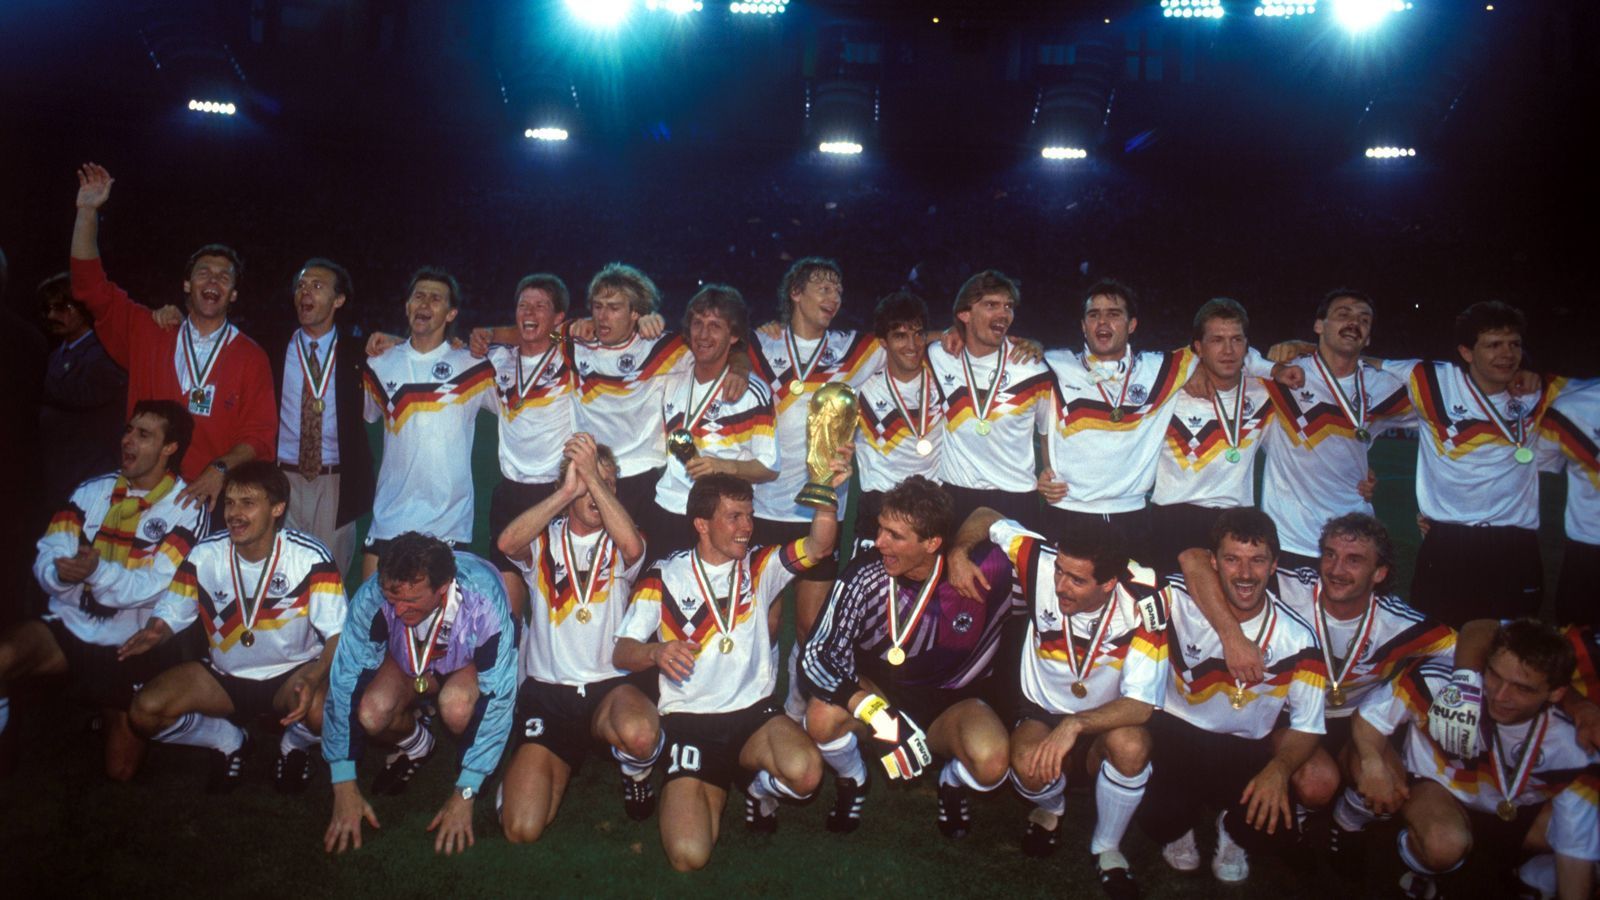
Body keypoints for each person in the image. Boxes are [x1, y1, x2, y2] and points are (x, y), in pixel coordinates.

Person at [613, 463, 848, 872]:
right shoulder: (664, 576)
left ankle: (758, 790)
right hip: (690, 721)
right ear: (702, 524)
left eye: (750, 516)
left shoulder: (760, 566)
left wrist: (825, 490)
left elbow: (819, 546)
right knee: (689, 856)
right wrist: (655, 653)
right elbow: (623, 652)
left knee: (807, 775)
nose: (748, 527)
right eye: (735, 517)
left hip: (753, 716)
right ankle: (705, 783)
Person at [1181, 513, 1456, 860]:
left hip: (1358, 721)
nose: (1336, 569)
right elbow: (1193, 559)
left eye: (1354, 560)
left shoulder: (1398, 622)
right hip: (1292, 716)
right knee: (1316, 782)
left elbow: (1471, 644)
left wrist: (1464, 683)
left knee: (1389, 786)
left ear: (1380, 573)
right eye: (1329, 554)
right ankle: (1297, 819)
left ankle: (1348, 820)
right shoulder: (1292, 585)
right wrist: (1231, 636)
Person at [948, 507, 1164, 899]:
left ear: (1110, 582)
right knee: (1029, 767)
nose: (1061, 585)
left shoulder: (1144, 601)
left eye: (1076, 580)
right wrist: (958, 554)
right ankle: (1052, 807)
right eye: (1060, 571)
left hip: (1108, 719)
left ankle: (1107, 847)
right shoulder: (1039, 561)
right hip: (1042, 710)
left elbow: (1141, 706)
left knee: (1132, 747)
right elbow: (983, 515)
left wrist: (1076, 724)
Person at [801, 477, 1018, 839]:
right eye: (880, 529)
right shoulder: (866, 573)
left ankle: (951, 783)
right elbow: (816, 655)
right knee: (821, 716)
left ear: (933, 543)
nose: (878, 542)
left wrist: (962, 550)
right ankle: (853, 778)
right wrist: (878, 716)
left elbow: (990, 515)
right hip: (881, 696)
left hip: (950, 706)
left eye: (894, 536)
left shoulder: (985, 571)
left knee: (992, 764)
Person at [1130, 508, 1337, 884]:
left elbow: (1308, 726)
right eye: (1232, 560)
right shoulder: (1177, 599)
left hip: (1246, 746)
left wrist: (1280, 769)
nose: (1244, 574)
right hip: (1180, 735)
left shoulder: (1299, 637)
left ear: (1274, 565)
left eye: (1257, 561)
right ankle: (1181, 824)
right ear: (1213, 562)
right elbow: (1129, 571)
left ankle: (1231, 828)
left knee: (1267, 830)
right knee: (1158, 818)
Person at [0, 401, 204, 780]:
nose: (127, 440)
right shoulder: (91, 490)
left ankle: (193, 718)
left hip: (130, 645)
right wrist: (60, 576)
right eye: (128, 430)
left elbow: (155, 586)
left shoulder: (186, 508)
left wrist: (96, 572)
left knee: (121, 771)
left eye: (143, 435)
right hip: (70, 625)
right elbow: (49, 552)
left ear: (169, 448)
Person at [118, 462, 347, 794]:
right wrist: (157, 629)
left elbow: (338, 634)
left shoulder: (310, 557)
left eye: (248, 503)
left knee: (324, 713)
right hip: (224, 677)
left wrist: (314, 677)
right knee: (144, 712)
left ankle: (293, 746)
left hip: (291, 673)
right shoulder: (204, 555)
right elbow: (173, 611)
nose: (234, 514)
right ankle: (227, 739)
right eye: (230, 502)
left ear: (277, 508)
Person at [68, 163, 275, 516]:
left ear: (234, 294)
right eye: (203, 273)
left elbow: (259, 439)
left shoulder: (252, 357)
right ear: (186, 284)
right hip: (142, 496)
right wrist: (87, 212)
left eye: (224, 277)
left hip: (207, 503)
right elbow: (90, 288)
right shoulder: (149, 332)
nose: (214, 281)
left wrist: (219, 469)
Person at [1037, 280, 1291, 565]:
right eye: (1094, 314)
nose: (1103, 321)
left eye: (1114, 313)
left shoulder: (1160, 369)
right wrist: (1047, 467)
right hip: (1067, 509)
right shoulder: (1053, 365)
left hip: (1130, 515)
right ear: (1083, 325)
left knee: (1136, 602)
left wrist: (1272, 366)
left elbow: (1223, 350)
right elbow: (1043, 423)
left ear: (1132, 324)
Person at [1350, 620, 1599, 899]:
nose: (1501, 695)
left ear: (1556, 693)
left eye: (1522, 688)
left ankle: (1533, 875)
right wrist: (1373, 764)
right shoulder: (1441, 683)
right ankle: (1421, 866)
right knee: (1443, 845)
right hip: (1439, 788)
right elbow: (1370, 717)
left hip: (1511, 807)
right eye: (1494, 675)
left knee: (1589, 836)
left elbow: (1575, 848)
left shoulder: (1574, 744)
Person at [494, 435, 661, 840]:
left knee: (640, 736)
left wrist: (593, 480)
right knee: (521, 829)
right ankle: (555, 760)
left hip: (611, 689)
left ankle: (636, 771)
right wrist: (568, 489)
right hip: (550, 694)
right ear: (565, 486)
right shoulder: (543, 538)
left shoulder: (622, 539)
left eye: (608, 482)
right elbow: (505, 543)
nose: (597, 490)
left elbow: (633, 545)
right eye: (586, 481)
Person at [322, 533, 517, 855]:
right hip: (405, 661)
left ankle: (440, 722)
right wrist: (342, 782)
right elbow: (344, 681)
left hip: (462, 664)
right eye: (391, 598)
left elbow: (499, 694)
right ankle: (417, 741)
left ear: (442, 588)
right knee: (372, 714)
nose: (398, 611)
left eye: (411, 602)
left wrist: (466, 790)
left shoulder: (483, 599)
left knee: (457, 709)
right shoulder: (373, 596)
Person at [1377, 301, 1562, 624]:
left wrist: (1536, 368)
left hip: (1514, 544)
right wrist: (1302, 348)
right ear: (1466, 351)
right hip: (1448, 542)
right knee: (1437, 644)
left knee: (1512, 649)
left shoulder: (1539, 392)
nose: (1507, 354)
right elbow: (1361, 364)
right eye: (1493, 345)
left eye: (1514, 344)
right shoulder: (1430, 379)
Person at [1259, 290, 1411, 575]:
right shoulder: (1281, 378)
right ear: (1319, 325)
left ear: (1368, 337)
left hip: (1354, 539)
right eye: (1343, 315)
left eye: (1363, 320)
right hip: (1291, 538)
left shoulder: (1383, 387)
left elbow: (1446, 406)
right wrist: (1295, 349)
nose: (1354, 322)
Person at [360, 268, 497, 580]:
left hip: (447, 521)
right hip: (389, 517)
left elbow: (518, 401)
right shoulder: (378, 364)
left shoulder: (473, 365)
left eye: (436, 299)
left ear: (450, 314)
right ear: (407, 306)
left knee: (440, 625)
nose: (424, 303)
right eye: (418, 296)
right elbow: (368, 415)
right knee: (374, 621)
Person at [641, 284, 777, 557]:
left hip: (719, 521)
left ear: (734, 334)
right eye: (698, 323)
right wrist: (644, 317)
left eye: (715, 326)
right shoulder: (672, 376)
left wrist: (721, 466)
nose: (703, 334)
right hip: (667, 509)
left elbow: (769, 468)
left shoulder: (752, 392)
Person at [1146, 298, 1277, 575]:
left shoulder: (1264, 394)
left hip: (1236, 521)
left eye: (1236, 340)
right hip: (1173, 518)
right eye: (1217, 340)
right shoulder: (1169, 391)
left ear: (1247, 345)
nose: (1228, 350)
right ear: (1198, 348)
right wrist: (1190, 367)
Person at [271, 259, 374, 580]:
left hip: (336, 483)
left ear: (338, 300)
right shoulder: (272, 347)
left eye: (317, 286)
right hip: (279, 479)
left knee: (328, 583)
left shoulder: (361, 353)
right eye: (301, 285)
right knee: (278, 581)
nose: (305, 292)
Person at [480, 274, 576, 616]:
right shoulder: (497, 360)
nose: (529, 312)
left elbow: (594, 330)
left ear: (559, 318)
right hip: (509, 494)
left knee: (555, 602)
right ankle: (510, 669)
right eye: (523, 305)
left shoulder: (573, 360)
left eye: (540, 306)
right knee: (508, 607)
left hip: (557, 494)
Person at [925, 270, 1052, 530]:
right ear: (965, 313)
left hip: (1015, 497)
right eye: (991, 305)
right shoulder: (941, 355)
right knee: (950, 571)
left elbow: (1047, 429)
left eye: (1008, 306)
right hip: (955, 493)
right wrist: (947, 331)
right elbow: (907, 342)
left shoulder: (1032, 368)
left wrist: (1049, 470)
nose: (1003, 314)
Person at [853, 291, 943, 552]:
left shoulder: (943, 377)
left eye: (918, 334)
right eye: (900, 336)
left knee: (926, 590)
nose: (912, 345)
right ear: (883, 342)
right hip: (878, 502)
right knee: (869, 588)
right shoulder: (863, 384)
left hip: (930, 501)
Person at [38, 271, 127, 508]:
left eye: (61, 307)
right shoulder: (55, 355)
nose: (52, 315)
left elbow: (85, 395)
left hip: (88, 479)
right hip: (54, 476)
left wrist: (31, 382)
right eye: (48, 308)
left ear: (84, 309)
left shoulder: (105, 353)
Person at [1538, 377, 1600, 629]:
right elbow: (1526, 465)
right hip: (1588, 555)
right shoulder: (1571, 407)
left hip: (1585, 552)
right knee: (1578, 656)